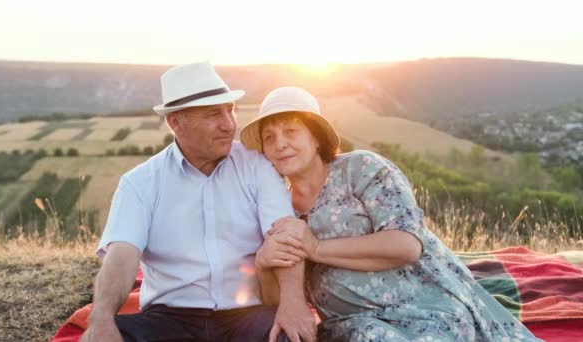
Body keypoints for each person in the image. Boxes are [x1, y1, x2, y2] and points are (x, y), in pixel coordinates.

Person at [240, 86, 541, 341]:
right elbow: (283, 304)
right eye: (269, 137)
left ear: (315, 137)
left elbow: (406, 245)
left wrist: (316, 248)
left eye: (291, 131)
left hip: (425, 306)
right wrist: (265, 267)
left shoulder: (362, 169)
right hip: (356, 325)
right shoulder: (276, 208)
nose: (280, 144)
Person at [81, 63, 317, 342]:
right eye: (213, 114)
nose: (229, 125)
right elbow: (121, 257)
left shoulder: (257, 167)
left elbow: (285, 236)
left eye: (230, 110)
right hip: (168, 319)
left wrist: (291, 303)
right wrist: (101, 319)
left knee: (289, 336)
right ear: (175, 122)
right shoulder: (140, 183)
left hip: (248, 315)